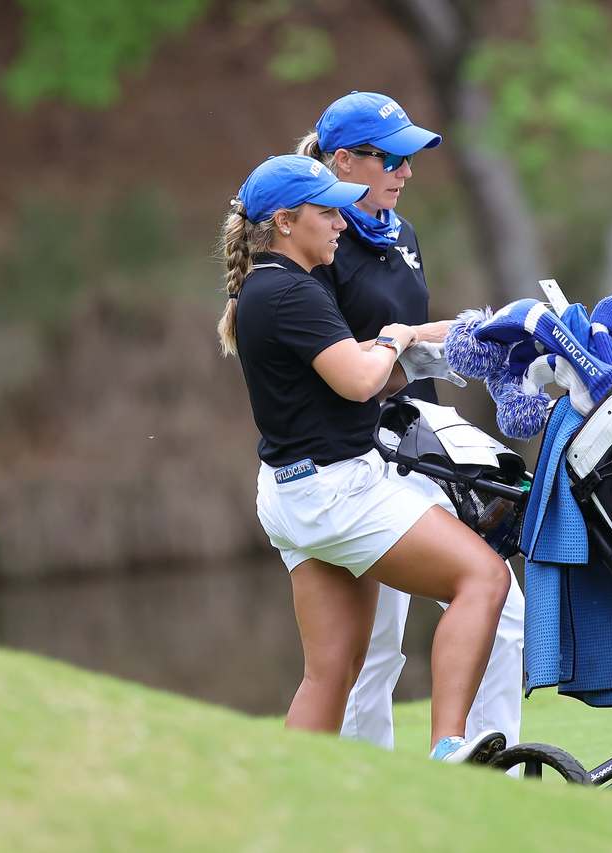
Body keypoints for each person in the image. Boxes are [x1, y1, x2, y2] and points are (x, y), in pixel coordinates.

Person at [217, 153, 511, 762]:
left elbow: (357, 378)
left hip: (294, 493)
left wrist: (468, 337)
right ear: (285, 222)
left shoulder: (269, 287)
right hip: (337, 492)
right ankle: (450, 747)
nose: (342, 225)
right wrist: (394, 336)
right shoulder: (289, 291)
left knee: (333, 669)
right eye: (327, 213)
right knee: (483, 577)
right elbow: (359, 380)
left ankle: (297, 800)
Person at [295, 92, 526, 751]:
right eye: (390, 157)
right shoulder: (318, 245)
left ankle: (493, 778)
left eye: (410, 157)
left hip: (415, 437)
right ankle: (368, 798)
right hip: (353, 455)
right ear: (344, 160)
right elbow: (352, 368)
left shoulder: (402, 231)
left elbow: (400, 340)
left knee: (501, 606)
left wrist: (473, 340)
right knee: (375, 651)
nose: (406, 170)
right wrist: (430, 344)